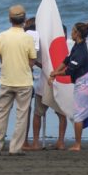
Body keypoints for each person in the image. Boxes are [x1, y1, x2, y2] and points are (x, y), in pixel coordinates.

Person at [0, 5, 36, 156]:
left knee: (1, 113)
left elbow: (2, 58)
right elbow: (32, 61)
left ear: (10, 19)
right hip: (24, 81)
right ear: (24, 19)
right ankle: (15, 148)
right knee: (21, 115)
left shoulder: (2, 36)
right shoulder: (28, 38)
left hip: (7, 79)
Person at [50, 22, 88, 151]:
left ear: (77, 34)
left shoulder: (80, 50)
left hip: (85, 83)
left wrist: (55, 74)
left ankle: (77, 145)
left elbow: (70, 71)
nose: (71, 34)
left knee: (78, 115)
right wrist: (55, 72)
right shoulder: (78, 45)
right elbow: (67, 60)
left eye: (73, 31)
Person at [24, 17, 67, 151]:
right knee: (61, 115)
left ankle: (36, 142)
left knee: (38, 113)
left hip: (44, 84)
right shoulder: (64, 50)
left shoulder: (47, 47)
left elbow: (37, 61)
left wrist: (40, 65)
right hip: (59, 83)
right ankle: (60, 142)